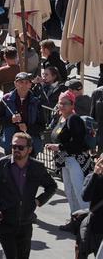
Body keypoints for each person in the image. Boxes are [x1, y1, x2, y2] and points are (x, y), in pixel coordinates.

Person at [0, 131, 57, 259]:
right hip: (5, 220)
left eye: (20, 147)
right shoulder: (2, 164)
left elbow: (52, 186)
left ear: (29, 150)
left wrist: (38, 201)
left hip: (26, 222)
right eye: (14, 146)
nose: (16, 150)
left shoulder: (37, 167)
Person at [46, 90, 91, 231]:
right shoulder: (62, 119)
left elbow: (78, 143)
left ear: (72, 105)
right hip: (65, 161)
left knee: (79, 191)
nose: (62, 106)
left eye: (66, 103)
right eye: (60, 103)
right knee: (69, 191)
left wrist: (58, 147)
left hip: (75, 160)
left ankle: (87, 224)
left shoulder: (74, 119)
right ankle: (75, 220)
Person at [0, 72, 47, 157]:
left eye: (26, 82)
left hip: (30, 144)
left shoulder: (36, 102)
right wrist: (10, 120)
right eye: (20, 82)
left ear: (30, 84)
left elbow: (42, 126)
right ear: (15, 83)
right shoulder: (6, 99)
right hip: (11, 143)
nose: (23, 85)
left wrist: (28, 128)